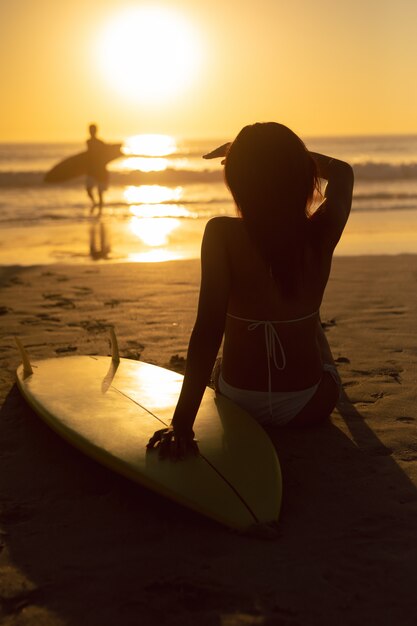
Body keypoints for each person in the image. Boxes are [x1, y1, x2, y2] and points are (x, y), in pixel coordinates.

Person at [147, 122, 354, 460]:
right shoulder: (321, 231)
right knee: (310, 319)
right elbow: (343, 173)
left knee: (225, 352)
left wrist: (182, 423)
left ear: (240, 182)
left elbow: (208, 329)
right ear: (300, 175)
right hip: (309, 404)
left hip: (238, 404)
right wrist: (287, 157)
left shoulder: (221, 235)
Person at [86, 123, 109, 215]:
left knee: (100, 192)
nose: (91, 132)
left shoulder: (100, 142)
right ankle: (94, 203)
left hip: (100, 170)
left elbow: (106, 153)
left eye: (92, 130)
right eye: (90, 130)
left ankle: (100, 210)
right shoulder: (88, 142)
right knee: (88, 189)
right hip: (91, 169)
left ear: (95, 131)